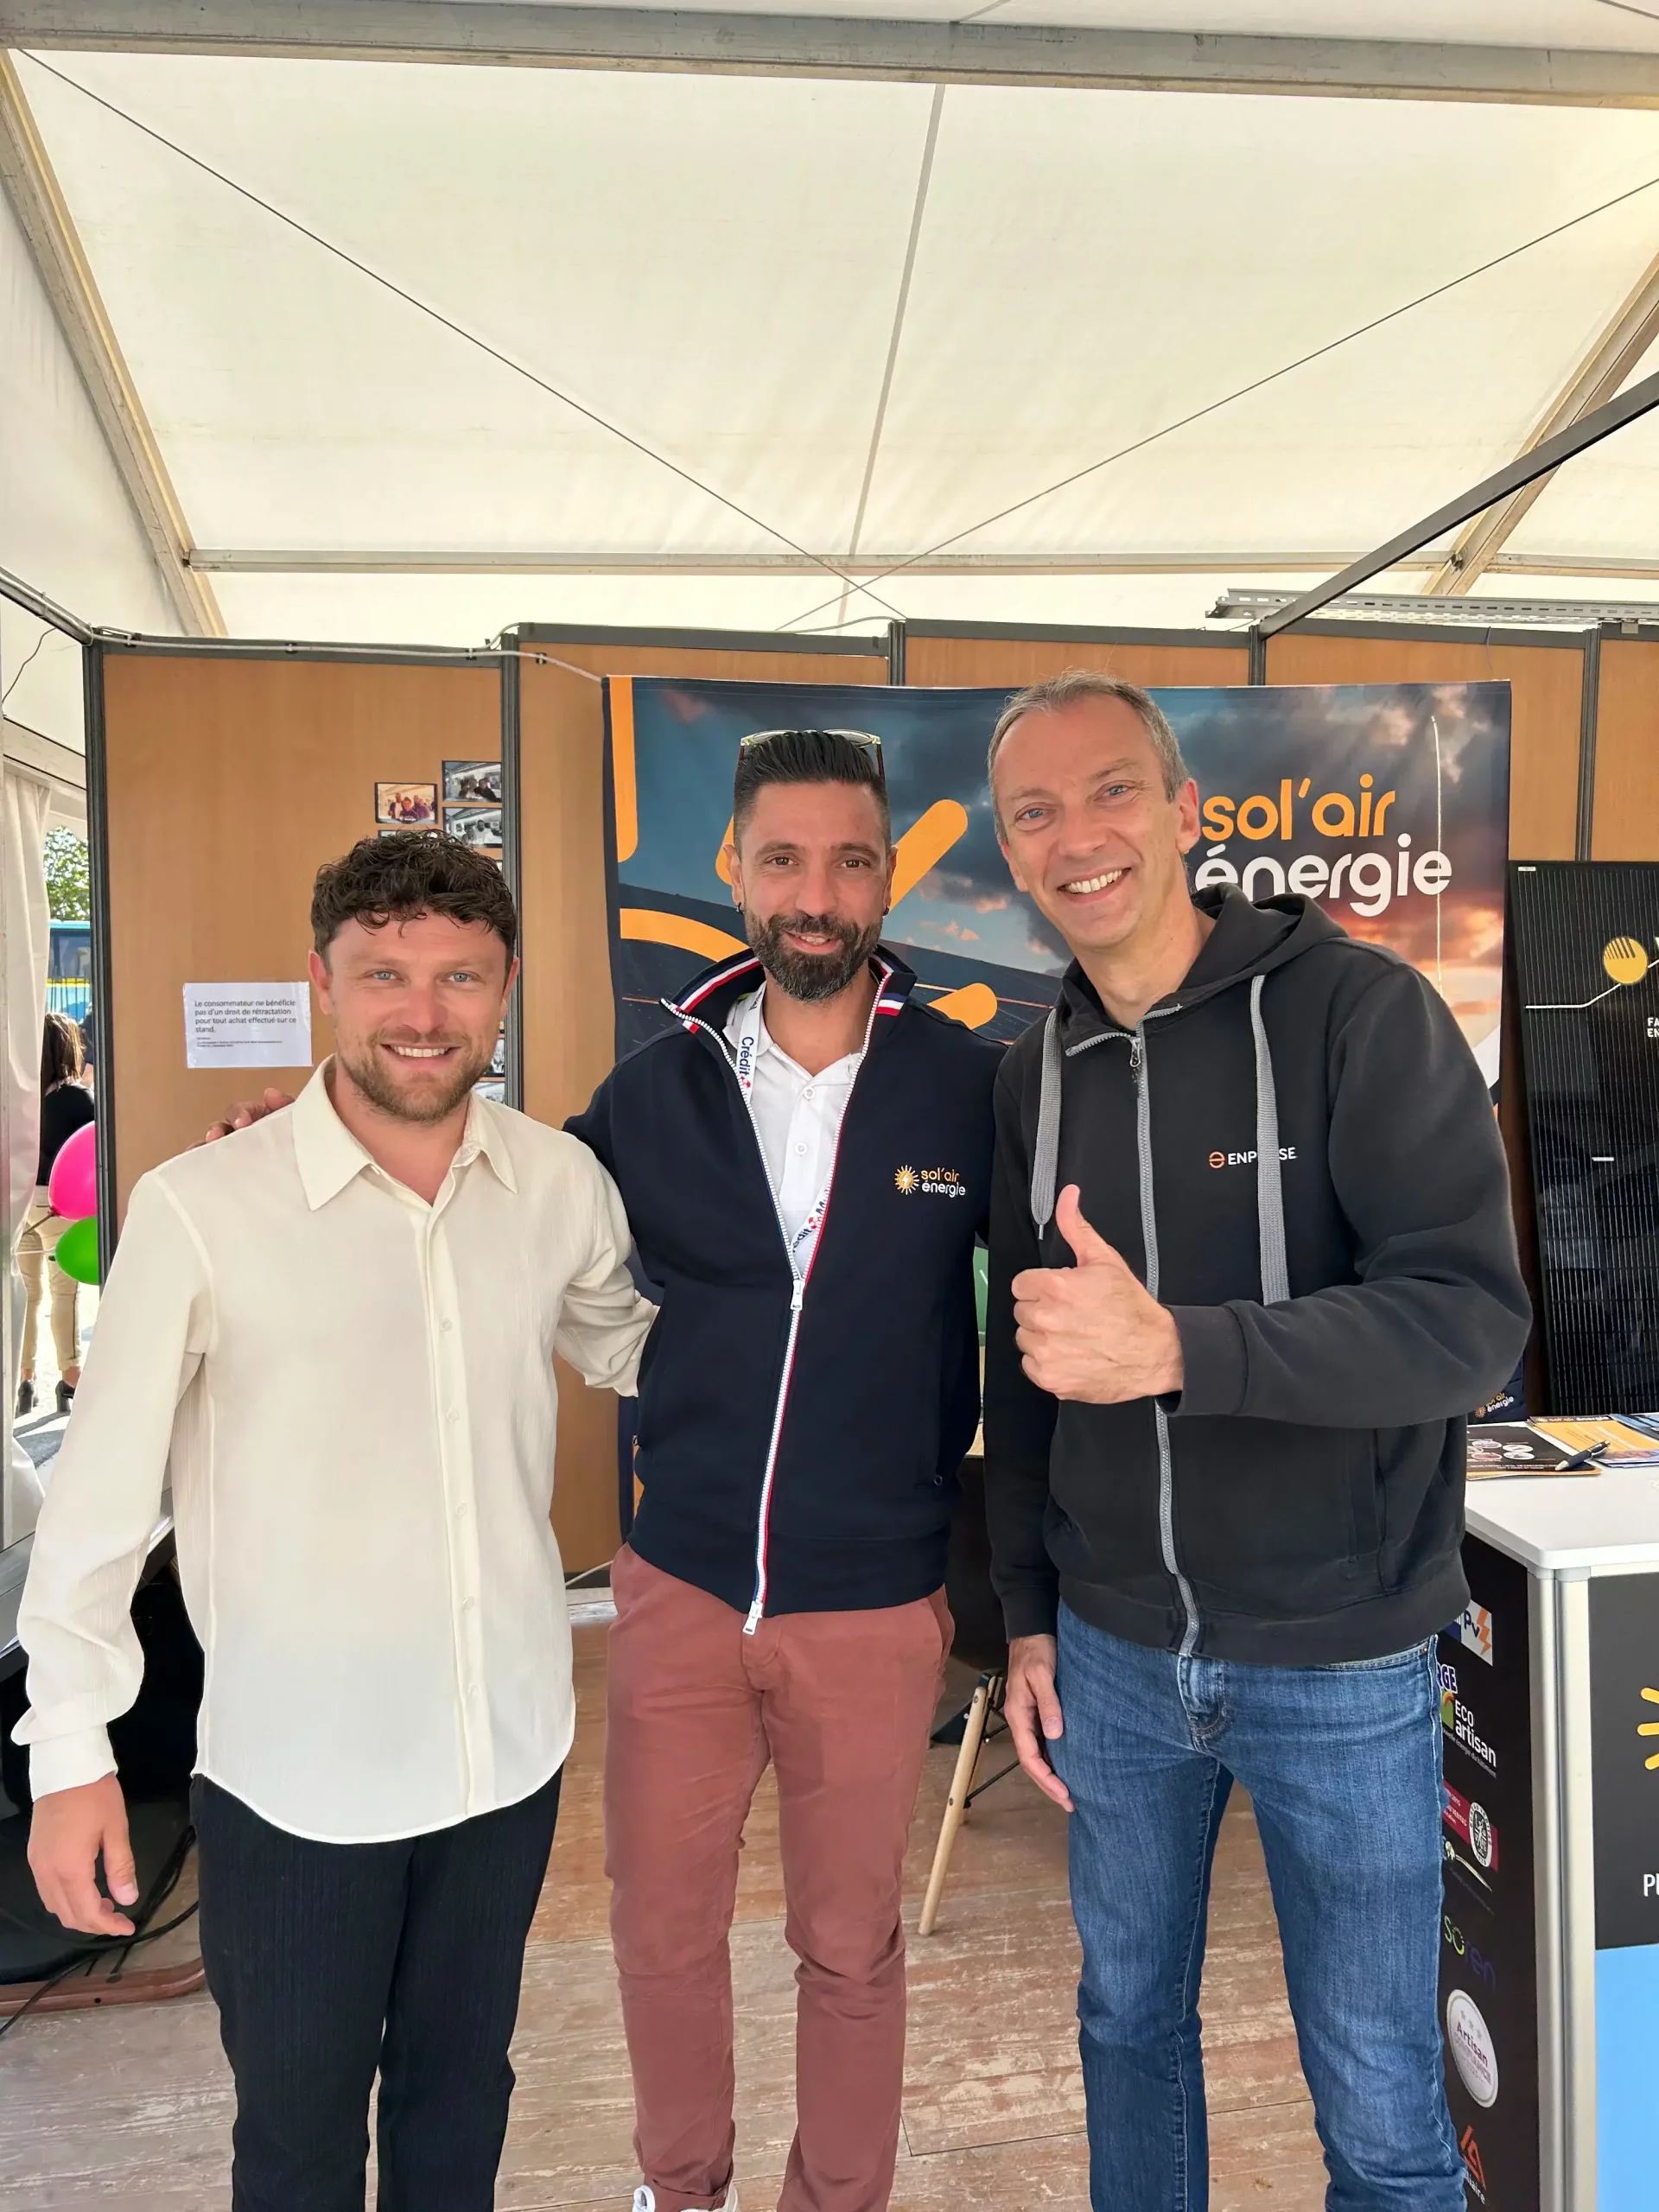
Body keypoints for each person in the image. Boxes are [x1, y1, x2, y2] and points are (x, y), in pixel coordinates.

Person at [15, 832, 656, 2212]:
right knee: (299, 2141)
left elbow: (641, 1351)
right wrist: (67, 1748)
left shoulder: (558, 1186)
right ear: (324, 982)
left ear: (505, 990)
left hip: (507, 1751)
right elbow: (100, 1499)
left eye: (458, 978)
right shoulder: (198, 1209)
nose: (422, 1014)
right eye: (384, 976)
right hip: (300, 1778)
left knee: (459, 2100)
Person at [981, 672, 1530, 2212]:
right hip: (1112, 1653)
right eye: (1035, 812)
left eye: (1109, 792)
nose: (1076, 836)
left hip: (1341, 1659)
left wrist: (1182, 1349)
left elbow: (1467, 1327)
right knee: (1125, 2026)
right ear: (1013, 853)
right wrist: (1026, 1612)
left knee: (1376, 2095)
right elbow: (1021, 1373)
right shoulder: (1032, 1073)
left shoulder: (1361, 1013)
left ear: (1186, 813)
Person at [567, 729, 1000, 2212]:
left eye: (850, 860)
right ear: (732, 870)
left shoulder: (969, 1086)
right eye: (784, 859)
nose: (816, 896)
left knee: (850, 1944)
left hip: (873, 1602)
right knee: (660, 1934)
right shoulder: (651, 1087)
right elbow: (493, 1215)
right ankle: (678, 2189)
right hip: (682, 1585)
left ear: (885, 875)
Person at [16, 1010, 95, 1415]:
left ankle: (23, 1379)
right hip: (58, 1203)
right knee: (64, 1290)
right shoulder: (77, 1098)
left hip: (19, 1200)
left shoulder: (19, 1094)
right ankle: (70, 1378)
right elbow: (95, 1148)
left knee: (27, 1294)